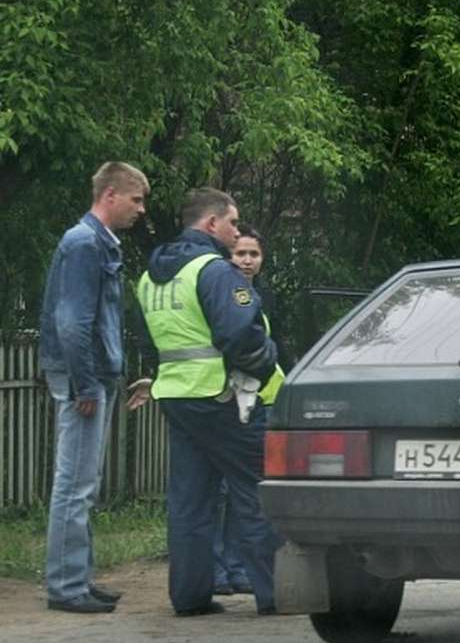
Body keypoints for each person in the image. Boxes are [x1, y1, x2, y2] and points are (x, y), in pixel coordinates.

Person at [134, 188, 281, 616]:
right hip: (222, 397)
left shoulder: (152, 277)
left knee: (189, 501)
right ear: (211, 223)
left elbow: (148, 340)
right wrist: (266, 365)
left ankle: (190, 596)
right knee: (256, 491)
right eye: (233, 223)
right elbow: (242, 334)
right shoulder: (214, 271)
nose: (237, 233)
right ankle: (278, 594)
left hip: (176, 397)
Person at [39, 162, 151, 614]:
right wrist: (85, 384)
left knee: (85, 481)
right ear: (110, 195)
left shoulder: (94, 242)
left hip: (91, 377)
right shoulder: (84, 243)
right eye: (136, 199)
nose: (141, 209)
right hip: (84, 380)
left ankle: (78, 577)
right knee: (75, 483)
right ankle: (66, 586)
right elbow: (72, 322)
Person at [211, 225, 284, 595]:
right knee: (226, 491)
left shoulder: (262, 297)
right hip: (231, 402)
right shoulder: (223, 294)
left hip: (264, 401)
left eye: (253, 254)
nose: (247, 260)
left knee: (249, 493)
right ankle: (218, 568)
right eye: (240, 253)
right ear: (228, 257)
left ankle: (239, 568)